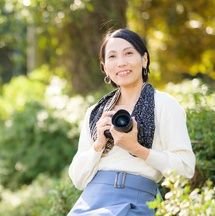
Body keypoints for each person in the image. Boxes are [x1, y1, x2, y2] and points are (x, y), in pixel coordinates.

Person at [67, 28, 196, 216]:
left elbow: (185, 169)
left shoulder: (165, 105)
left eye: (128, 53)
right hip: (90, 202)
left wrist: (137, 149)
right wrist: (98, 145)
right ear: (104, 67)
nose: (121, 63)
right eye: (112, 56)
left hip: (138, 202)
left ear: (144, 59)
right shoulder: (95, 113)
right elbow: (78, 179)